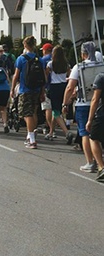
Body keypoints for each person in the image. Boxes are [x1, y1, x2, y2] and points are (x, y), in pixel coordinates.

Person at [63, 41, 101, 172]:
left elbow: (70, 87)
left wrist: (65, 102)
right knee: (98, 133)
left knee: (85, 132)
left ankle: (90, 162)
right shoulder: (101, 65)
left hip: (83, 103)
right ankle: (99, 159)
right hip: (100, 103)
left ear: (83, 54)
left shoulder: (79, 67)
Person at [11, 36, 45, 149]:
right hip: (37, 89)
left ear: (25, 45)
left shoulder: (21, 59)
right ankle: (31, 133)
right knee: (33, 111)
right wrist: (42, 91)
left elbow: (16, 75)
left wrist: (12, 89)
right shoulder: (39, 59)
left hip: (25, 89)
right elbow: (43, 76)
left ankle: (32, 139)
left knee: (26, 113)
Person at [44, 45, 74, 144]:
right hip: (63, 86)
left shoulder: (51, 63)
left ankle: (67, 132)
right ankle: (51, 132)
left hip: (54, 87)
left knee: (55, 112)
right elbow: (70, 74)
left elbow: (46, 74)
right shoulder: (66, 64)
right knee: (56, 110)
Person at [87, 72, 104, 180]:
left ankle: (102, 167)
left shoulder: (101, 77)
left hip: (102, 115)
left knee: (93, 138)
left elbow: (95, 99)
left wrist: (89, 119)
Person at [40, 43, 53, 139]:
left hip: (47, 85)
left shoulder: (43, 60)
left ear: (46, 50)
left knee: (48, 108)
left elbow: (43, 73)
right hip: (58, 85)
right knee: (56, 109)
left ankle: (49, 128)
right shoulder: (57, 58)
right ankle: (53, 129)